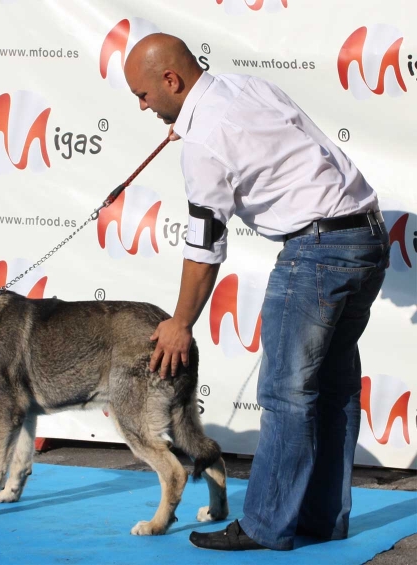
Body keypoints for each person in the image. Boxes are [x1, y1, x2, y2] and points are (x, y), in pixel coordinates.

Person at [123, 34, 390, 552]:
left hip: (316, 250)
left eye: (144, 94)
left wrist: (180, 323)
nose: (143, 105)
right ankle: (321, 520)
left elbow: (204, 250)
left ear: (171, 81)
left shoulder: (203, 144)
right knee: (331, 391)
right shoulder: (245, 87)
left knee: (287, 396)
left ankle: (266, 525)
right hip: (367, 237)